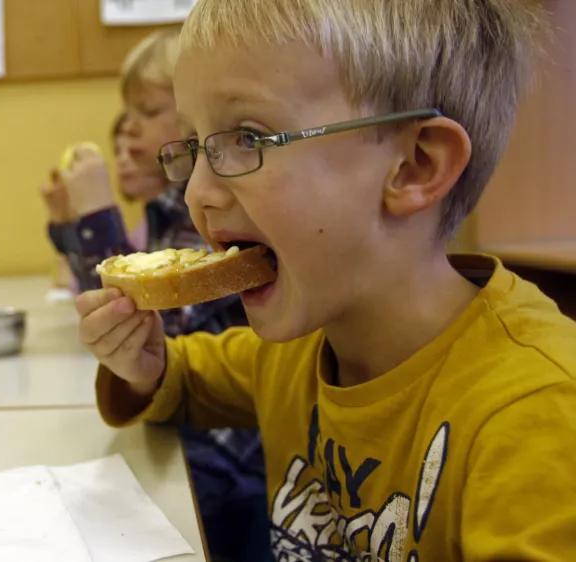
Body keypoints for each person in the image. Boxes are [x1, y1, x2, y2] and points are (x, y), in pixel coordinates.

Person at [77, 0, 576, 559]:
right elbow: (186, 378)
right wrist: (142, 366)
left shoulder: (538, 416)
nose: (195, 195)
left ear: (415, 167)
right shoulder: (301, 347)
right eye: (194, 147)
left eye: (247, 137)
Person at [45, 29, 271, 560]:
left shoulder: (211, 212)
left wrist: (97, 216)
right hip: (184, 430)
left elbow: (167, 319)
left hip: (225, 467)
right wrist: (67, 222)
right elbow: (122, 313)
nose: (128, 130)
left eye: (146, 112)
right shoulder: (168, 209)